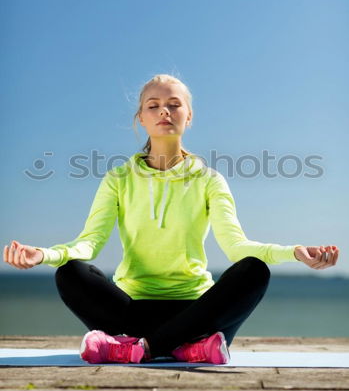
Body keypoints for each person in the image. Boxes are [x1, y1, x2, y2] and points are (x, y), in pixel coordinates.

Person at [3, 74, 340, 365]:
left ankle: (143, 348)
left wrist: (293, 252)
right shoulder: (118, 179)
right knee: (71, 273)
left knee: (254, 270)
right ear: (141, 119)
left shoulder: (209, 180)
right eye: (153, 105)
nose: (164, 110)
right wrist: (44, 255)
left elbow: (238, 246)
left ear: (189, 116)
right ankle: (183, 349)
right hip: (132, 309)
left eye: (174, 104)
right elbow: (88, 243)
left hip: (196, 312)